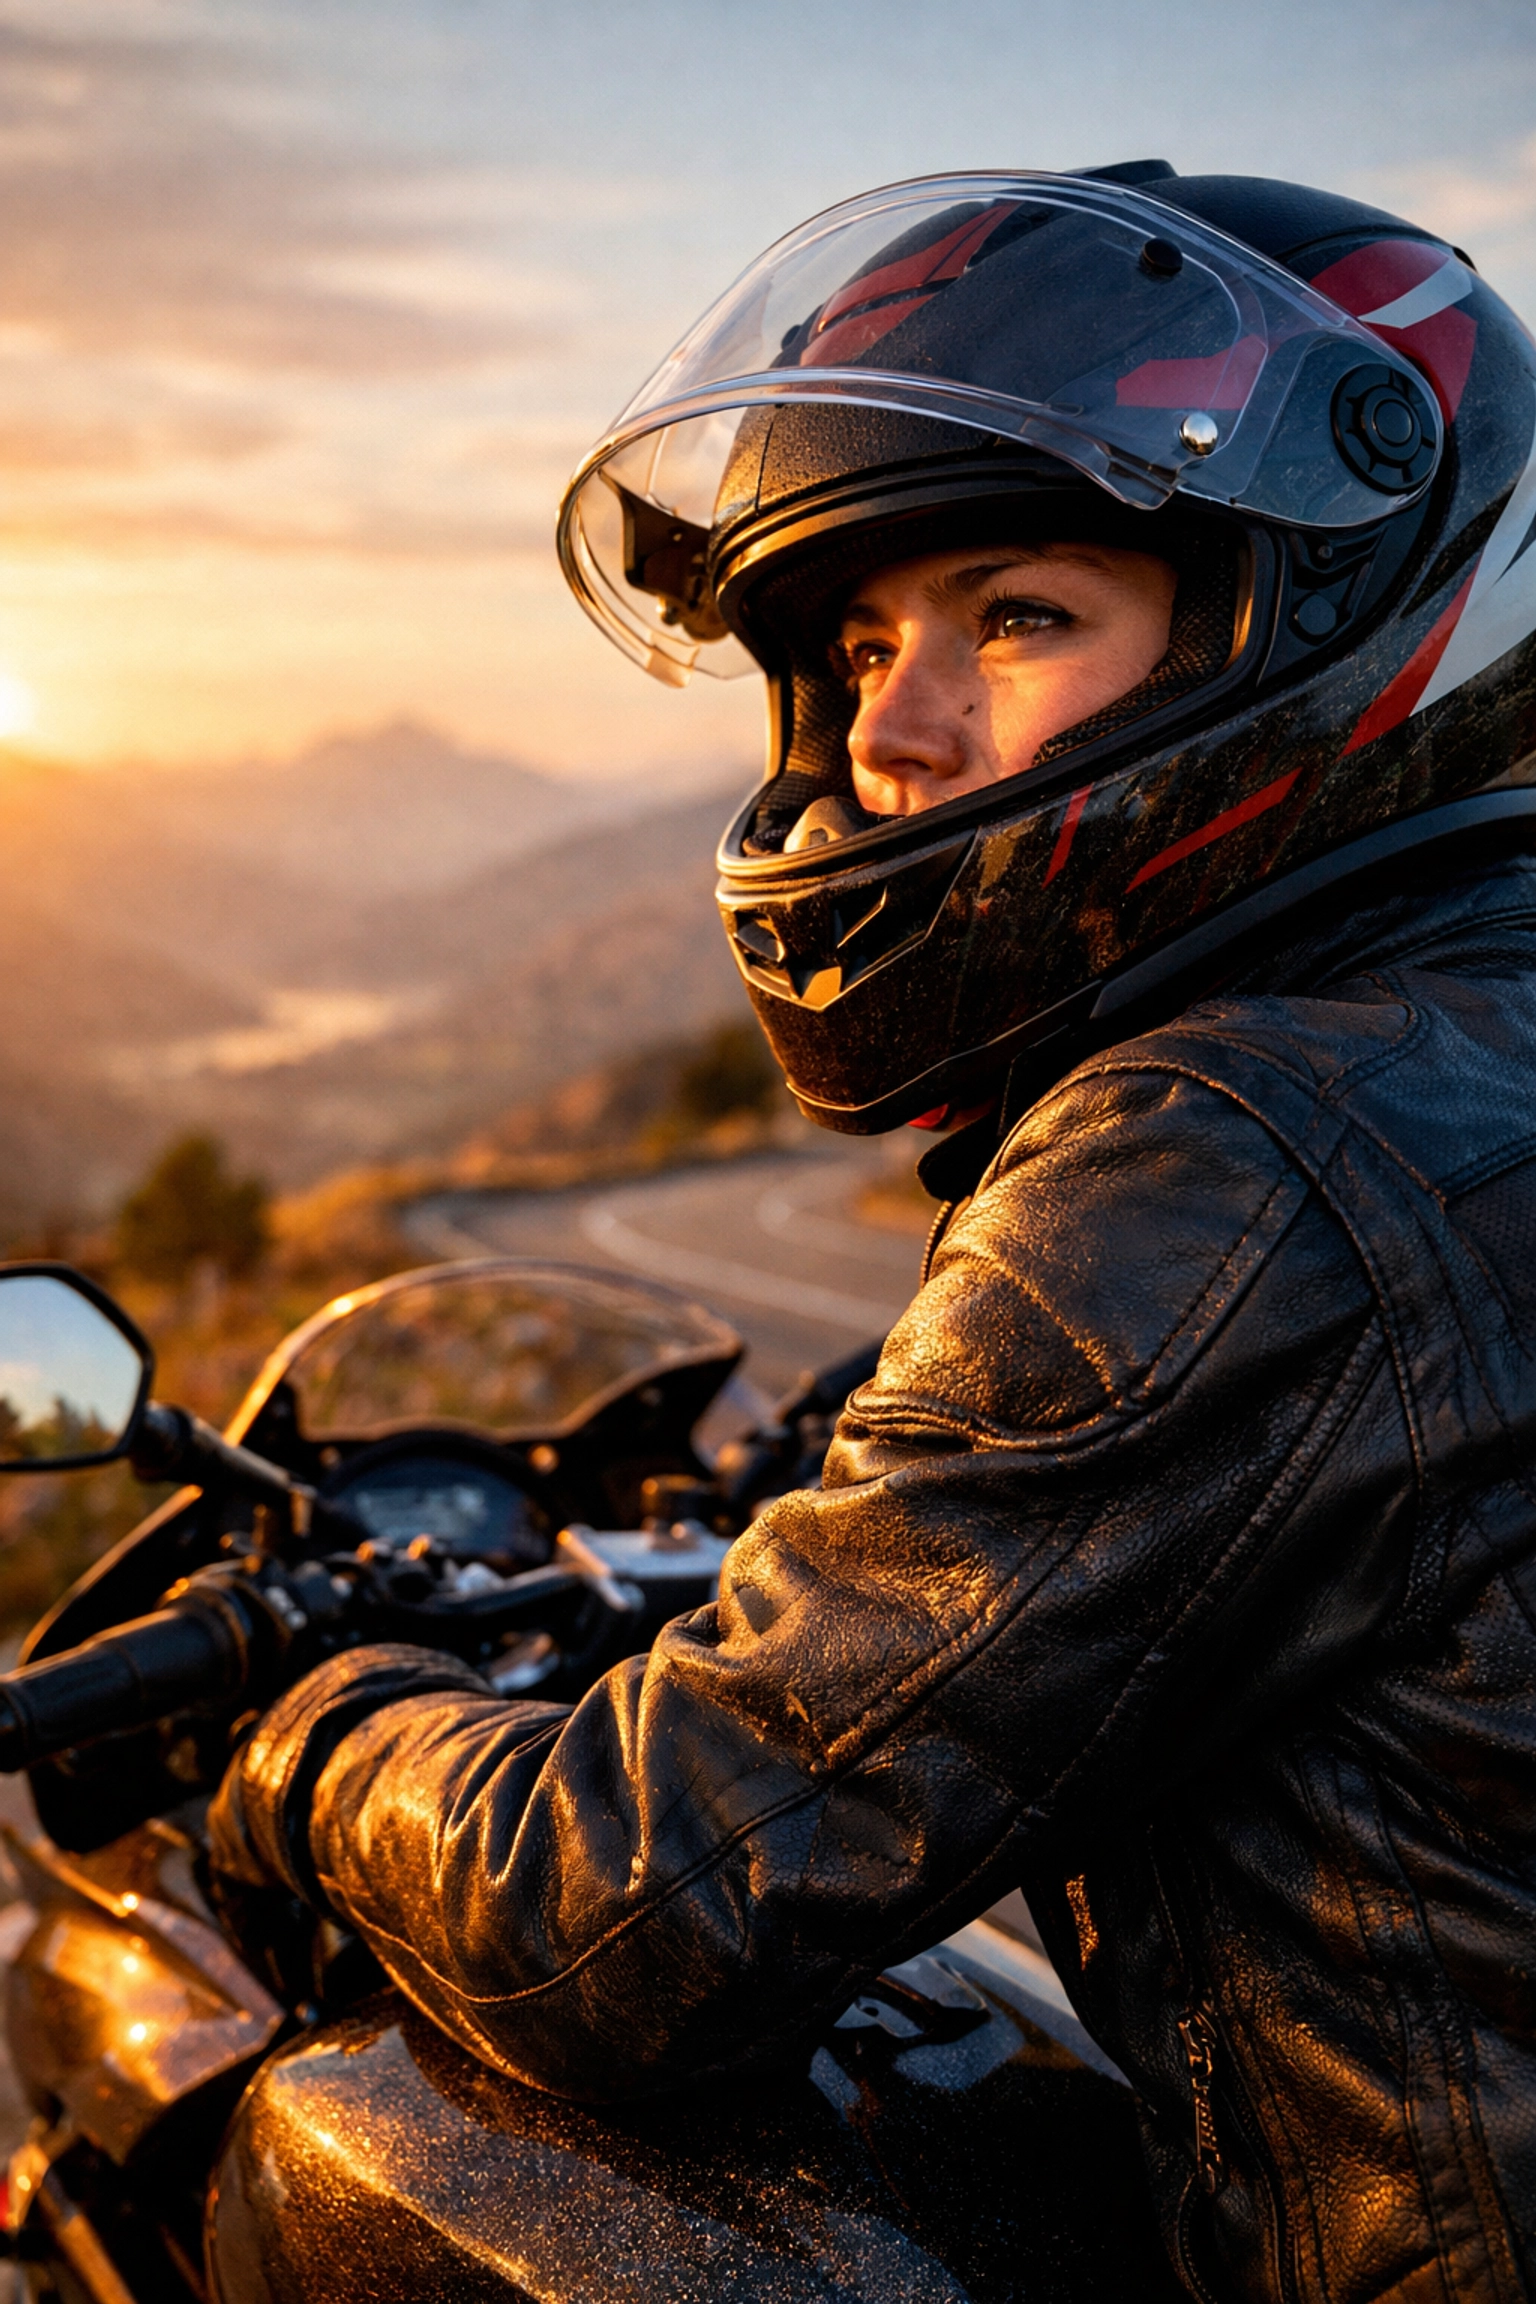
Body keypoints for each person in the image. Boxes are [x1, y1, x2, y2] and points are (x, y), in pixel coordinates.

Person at [211, 162, 1536, 2301]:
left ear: (1306, 622)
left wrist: (318, 1737)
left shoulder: (1228, 1152)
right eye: (857, 648)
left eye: (1016, 617)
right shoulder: (1461, 1032)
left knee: (377, 2159)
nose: (893, 739)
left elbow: (624, 1914)